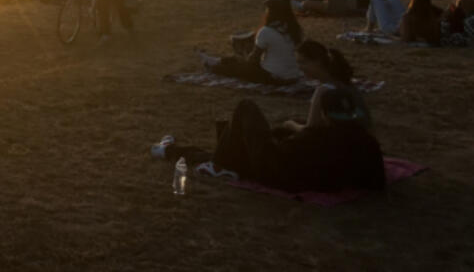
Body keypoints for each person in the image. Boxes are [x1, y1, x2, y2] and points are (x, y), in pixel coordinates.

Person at [163, 40, 383, 192]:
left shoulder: (324, 101)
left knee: (246, 108)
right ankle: (176, 151)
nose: (301, 68)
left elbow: (308, 133)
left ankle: (216, 163)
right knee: (255, 138)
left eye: (303, 63)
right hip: (307, 161)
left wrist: (289, 127)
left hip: (281, 170)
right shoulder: (360, 136)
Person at [199, 0, 302, 84]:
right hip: (293, 76)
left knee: (241, 68)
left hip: (275, 77)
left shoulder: (266, 31)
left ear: (269, 10)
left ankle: (214, 67)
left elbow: (253, 61)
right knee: (240, 61)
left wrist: (244, 57)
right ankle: (216, 60)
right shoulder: (295, 29)